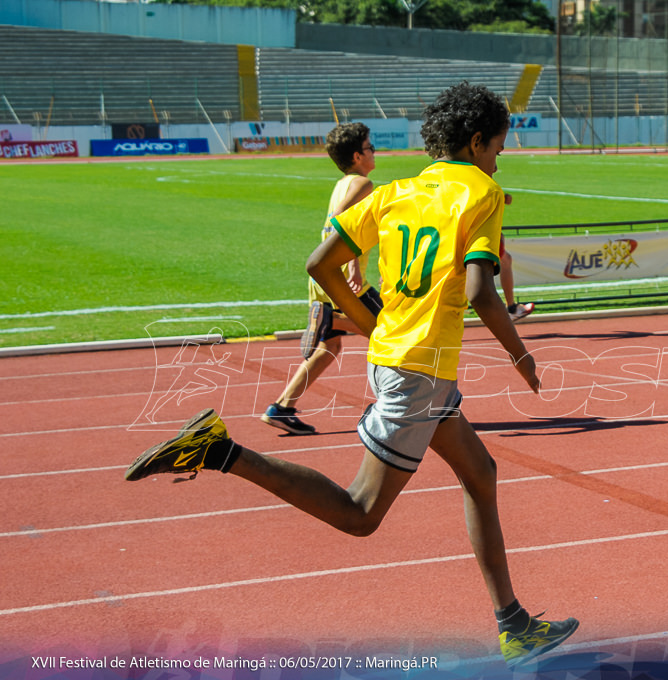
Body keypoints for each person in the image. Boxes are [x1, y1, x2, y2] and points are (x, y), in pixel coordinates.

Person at [125, 82, 578, 668]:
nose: (499, 158)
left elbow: (320, 264)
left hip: (403, 360)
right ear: (475, 141)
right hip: (419, 370)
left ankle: (513, 624)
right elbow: (481, 294)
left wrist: (370, 321)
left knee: (480, 472)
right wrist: (523, 358)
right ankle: (219, 452)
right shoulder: (483, 193)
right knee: (360, 514)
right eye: (497, 147)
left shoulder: (394, 193)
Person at [261, 122, 383, 435]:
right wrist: (353, 264)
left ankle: (282, 407)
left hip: (325, 278)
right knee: (391, 332)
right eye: (370, 147)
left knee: (329, 349)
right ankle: (400, 408)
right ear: (357, 155)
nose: (375, 152)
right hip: (342, 278)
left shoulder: (343, 182)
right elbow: (340, 222)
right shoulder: (362, 185)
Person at [497, 195, 534, 323]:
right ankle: (508, 310)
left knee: (505, 260)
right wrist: (502, 197)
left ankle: (511, 308)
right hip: (480, 230)